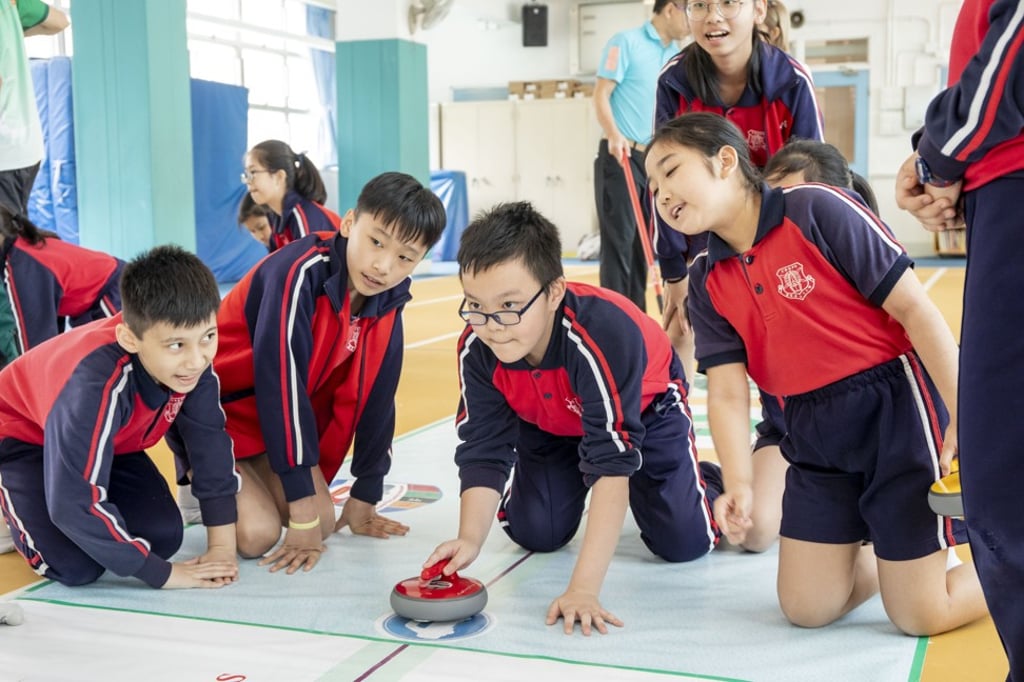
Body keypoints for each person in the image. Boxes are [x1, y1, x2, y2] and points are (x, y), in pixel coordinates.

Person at [646, 112, 988, 635]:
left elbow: (917, 312)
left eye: (670, 171)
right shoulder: (705, 278)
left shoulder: (817, 209)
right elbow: (730, 394)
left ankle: (1007, 564)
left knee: (921, 616)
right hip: (810, 428)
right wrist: (738, 482)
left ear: (725, 160)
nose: (662, 195)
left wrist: (964, 414)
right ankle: (895, 562)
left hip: (892, 410)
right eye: (652, 187)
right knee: (808, 608)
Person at [424, 201, 721, 636]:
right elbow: (484, 449)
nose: (492, 326)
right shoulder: (478, 347)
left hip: (644, 411)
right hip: (552, 423)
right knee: (536, 533)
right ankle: (587, 476)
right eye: (475, 305)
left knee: (682, 542)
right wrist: (470, 539)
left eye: (509, 305)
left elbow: (611, 466)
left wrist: (583, 589)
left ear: (554, 291)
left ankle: (703, 480)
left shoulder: (601, 334)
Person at [213, 171, 446, 575]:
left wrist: (365, 495)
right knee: (257, 536)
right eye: (376, 241)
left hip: (269, 429)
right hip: (220, 412)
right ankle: (205, 466)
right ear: (350, 222)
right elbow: (280, 385)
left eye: (405, 257)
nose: (384, 265)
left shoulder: (388, 297)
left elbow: (379, 395)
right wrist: (299, 514)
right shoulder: (300, 273)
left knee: (321, 523)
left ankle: (253, 471)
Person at [894, 0, 1024, 675]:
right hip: (993, 181)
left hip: (1010, 182)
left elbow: (1011, 49)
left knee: (1000, 472)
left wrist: (940, 156)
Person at [0, 245, 240, 589]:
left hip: (105, 444)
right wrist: (165, 575)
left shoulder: (193, 364)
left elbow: (209, 444)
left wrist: (221, 548)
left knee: (163, 538)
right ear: (130, 338)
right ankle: (10, 507)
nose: (197, 359)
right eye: (177, 345)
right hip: (24, 441)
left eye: (208, 337)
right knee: (74, 568)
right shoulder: (94, 384)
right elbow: (72, 504)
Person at [715, 138, 879, 552]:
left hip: (870, 428)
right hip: (792, 433)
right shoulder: (736, 275)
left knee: (875, 532)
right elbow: (728, 391)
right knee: (752, 533)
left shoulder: (851, 260)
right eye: (773, 198)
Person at [654, 0, 823, 381]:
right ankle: (673, 434)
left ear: (759, 10)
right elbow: (664, 182)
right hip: (702, 244)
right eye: (700, 5)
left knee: (786, 356)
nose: (713, 16)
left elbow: (817, 180)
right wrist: (674, 272)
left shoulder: (792, 82)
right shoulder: (674, 81)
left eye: (729, 2)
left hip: (777, 239)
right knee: (683, 334)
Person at [592, 0, 689, 312]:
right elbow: (601, 93)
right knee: (619, 241)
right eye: (691, 10)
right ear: (671, 8)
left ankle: (634, 315)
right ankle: (616, 315)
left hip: (655, 162)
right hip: (621, 154)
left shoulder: (678, 55)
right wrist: (613, 133)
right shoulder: (626, 42)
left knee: (643, 243)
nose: (694, 20)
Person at [0, 203, 123, 364]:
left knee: (114, 367)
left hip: (112, 294)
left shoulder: (20, 266)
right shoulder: (21, 247)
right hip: (96, 300)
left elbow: (34, 350)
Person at [0, 0, 69, 215]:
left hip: (5, 155)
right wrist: (14, 31)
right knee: (14, 236)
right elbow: (59, 21)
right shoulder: (11, 4)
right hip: (24, 149)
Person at [241, 140, 341, 252]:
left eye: (253, 172)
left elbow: (308, 268)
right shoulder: (276, 218)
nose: (247, 181)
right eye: (246, 174)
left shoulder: (302, 216)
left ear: (279, 176)